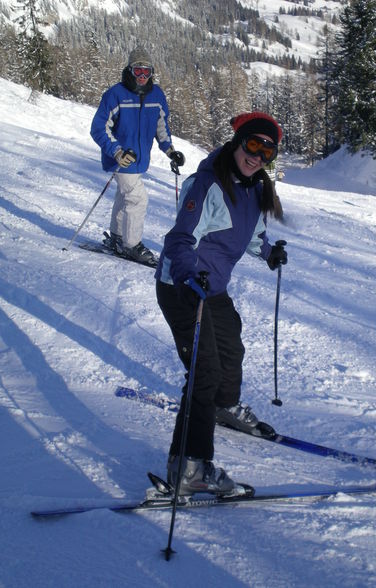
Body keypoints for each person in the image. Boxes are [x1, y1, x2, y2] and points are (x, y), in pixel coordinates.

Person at [154, 111, 288, 495]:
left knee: (231, 344)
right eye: (252, 145)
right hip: (182, 285)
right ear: (238, 142)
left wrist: (268, 252)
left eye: (267, 151)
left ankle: (224, 407)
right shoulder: (208, 183)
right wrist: (185, 276)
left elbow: (251, 235)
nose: (257, 156)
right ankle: (190, 465)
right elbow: (179, 240)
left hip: (211, 288)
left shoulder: (255, 188)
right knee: (204, 371)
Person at [90, 47, 185, 266]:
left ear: (152, 72)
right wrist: (117, 151)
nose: (142, 77)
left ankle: (116, 237)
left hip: (140, 161)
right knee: (137, 199)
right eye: (138, 71)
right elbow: (98, 128)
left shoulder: (156, 95)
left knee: (125, 197)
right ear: (129, 70)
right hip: (121, 159)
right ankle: (132, 245)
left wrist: (170, 150)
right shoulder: (116, 94)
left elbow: (161, 126)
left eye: (147, 71)